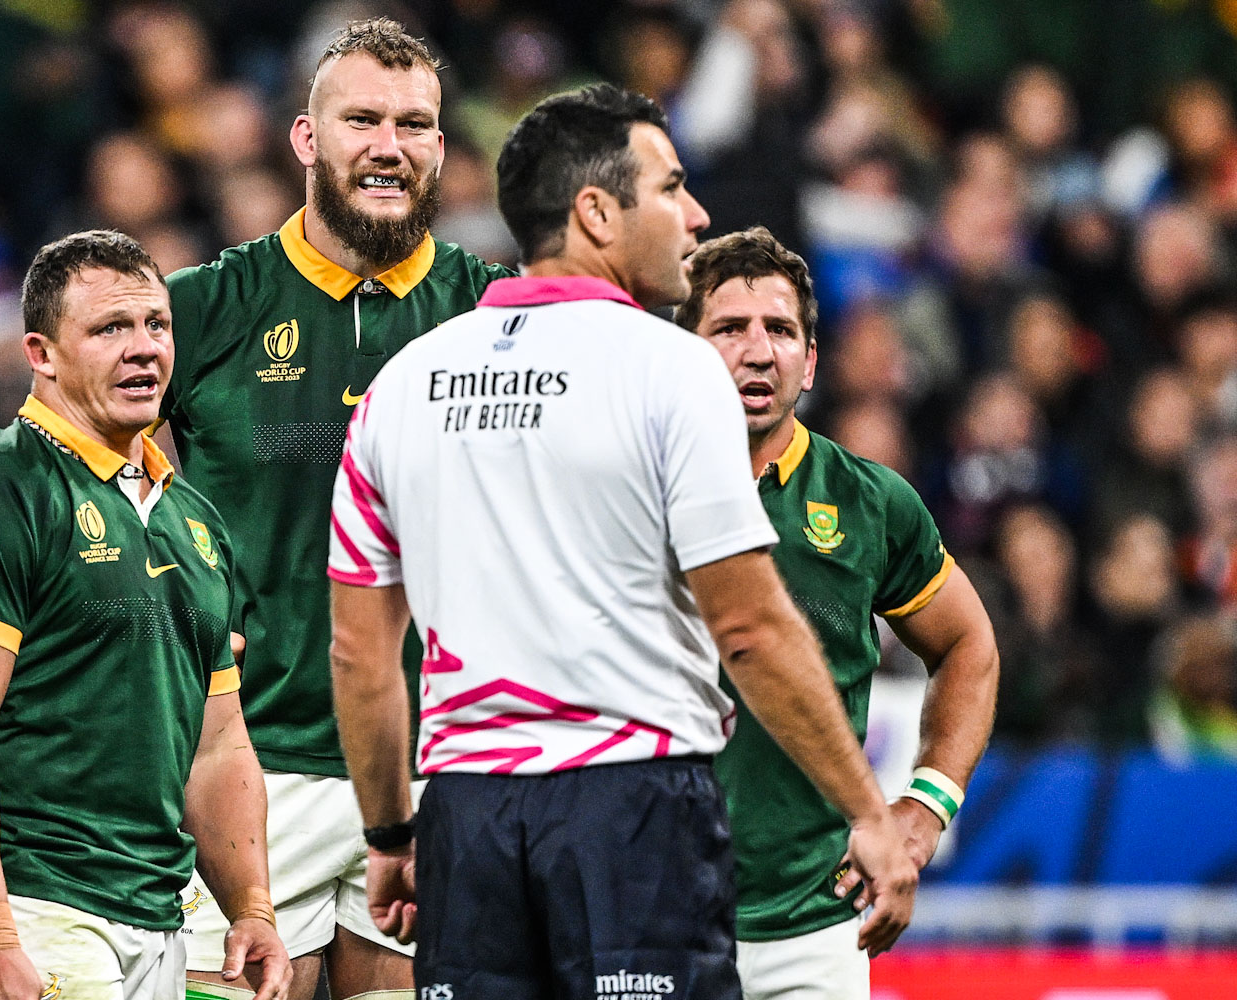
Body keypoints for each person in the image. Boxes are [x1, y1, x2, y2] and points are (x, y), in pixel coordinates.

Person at [327, 84, 918, 1000]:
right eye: (671, 187)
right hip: (632, 808)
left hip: (465, 817)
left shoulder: (400, 388)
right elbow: (750, 629)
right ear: (597, 213)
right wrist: (868, 812)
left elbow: (361, 655)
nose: (697, 214)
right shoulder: (671, 370)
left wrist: (391, 834)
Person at [160, 19, 511, 998]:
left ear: (440, 146)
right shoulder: (199, 309)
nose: (388, 146)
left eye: (413, 124)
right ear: (306, 139)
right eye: (361, 120)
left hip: (438, 764)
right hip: (247, 762)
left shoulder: (499, 319)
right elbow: (83, 483)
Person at [0, 230, 292, 1000]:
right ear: (41, 354)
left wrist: (251, 906)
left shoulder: (194, 520)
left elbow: (218, 742)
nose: (143, 347)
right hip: (33, 907)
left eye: (156, 324)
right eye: (111, 328)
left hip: (158, 915)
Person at [675, 227, 999, 1000]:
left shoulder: (869, 501)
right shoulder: (625, 486)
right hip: (653, 912)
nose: (759, 352)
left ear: (811, 361)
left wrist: (927, 804)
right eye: (730, 328)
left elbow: (968, 645)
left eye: (781, 331)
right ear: (683, 353)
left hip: (818, 928)